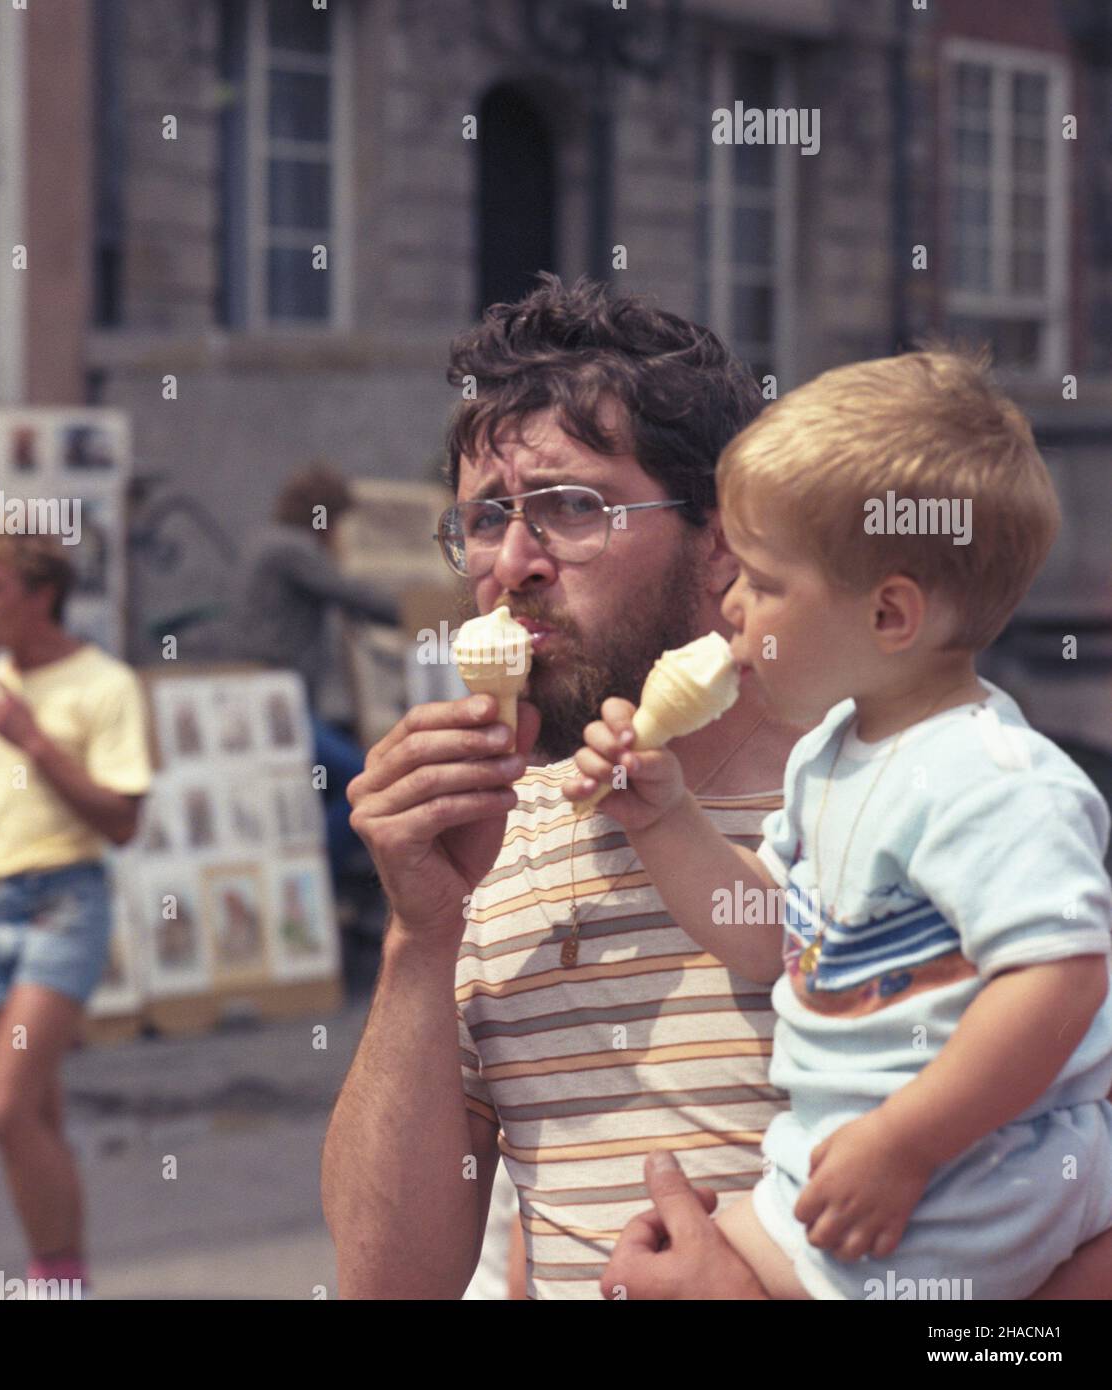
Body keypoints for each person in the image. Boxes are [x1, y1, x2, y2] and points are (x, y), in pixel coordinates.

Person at [321, 273, 1112, 1299]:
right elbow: (389, 1283)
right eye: (480, 520)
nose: (509, 562)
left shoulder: (932, 792)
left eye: (569, 507)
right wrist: (419, 933)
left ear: (720, 541)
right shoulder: (484, 841)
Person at [571, 348, 1112, 1298]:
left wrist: (906, 1143)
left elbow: (1060, 978)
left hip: (964, 1193)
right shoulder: (832, 751)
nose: (730, 606)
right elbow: (769, 938)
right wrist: (665, 820)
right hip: (853, 1166)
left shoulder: (993, 778)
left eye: (765, 583)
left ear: (891, 613)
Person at [0, 534, 151, 1294]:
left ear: (42, 595)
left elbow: (123, 821)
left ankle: (55, 1279)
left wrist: (34, 741)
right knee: (34, 1117)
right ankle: (61, 1279)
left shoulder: (104, 685)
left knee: (1, 1109)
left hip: (61, 906)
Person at [241, 464, 400, 892]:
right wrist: (419, 612)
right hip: (280, 705)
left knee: (330, 787)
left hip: (277, 699)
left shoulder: (271, 545)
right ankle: (314, 882)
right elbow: (348, 593)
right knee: (359, 783)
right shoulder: (291, 549)